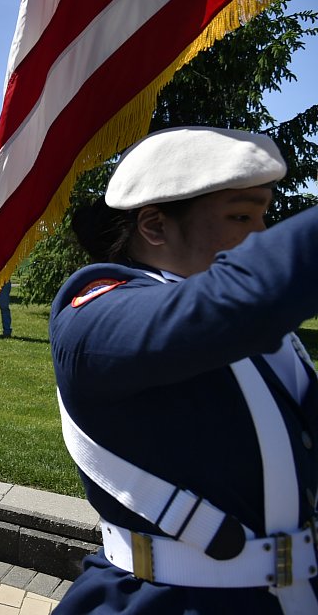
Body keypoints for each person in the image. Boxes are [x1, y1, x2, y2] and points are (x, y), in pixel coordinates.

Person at [50, 127, 318, 614]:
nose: (261, 237)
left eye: (264, 215)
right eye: (241, 215)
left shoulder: (262, 334)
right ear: (154, 226)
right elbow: (238, 303)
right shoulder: (91, 314)